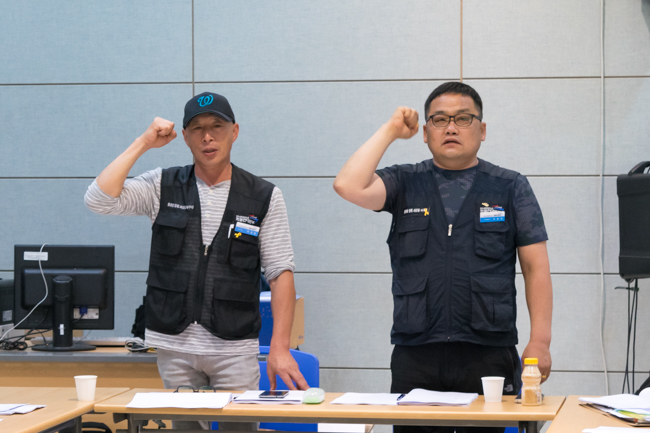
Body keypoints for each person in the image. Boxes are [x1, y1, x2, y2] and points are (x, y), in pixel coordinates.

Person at [333, 82, 552, 433]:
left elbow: (535, 267)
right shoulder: (404, 182)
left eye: (463, 119)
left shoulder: (510, 187)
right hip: (416, 354)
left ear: (482, 130)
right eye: (439, 119)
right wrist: (390, 130)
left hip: (488, 352)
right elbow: (348, 185)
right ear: (424, 133)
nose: (451, 127)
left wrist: (540, 340)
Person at [85, 92, 308, 430]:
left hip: (234, 347)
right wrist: (144, 142)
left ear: (234, 132)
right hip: (174, 345)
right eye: (198, 128)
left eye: (217, 126)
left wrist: (279, 348)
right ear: (186, 137)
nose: (207, 137)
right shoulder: (162, 186)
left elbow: (280, 273)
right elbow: (98, 199)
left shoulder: (263, 196)